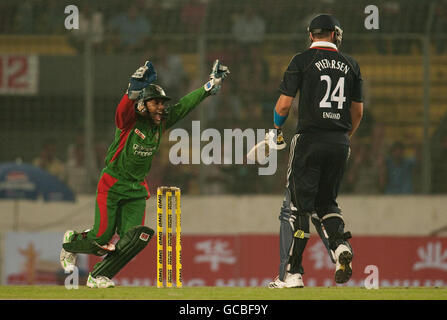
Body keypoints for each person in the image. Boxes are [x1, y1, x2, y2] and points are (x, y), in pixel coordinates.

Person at [60, 59, 229, 288]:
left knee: (134, 239)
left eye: (162, 103)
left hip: (136, 189)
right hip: (112, 184)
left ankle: (98, 275)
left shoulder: (160, 123)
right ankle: (71, 241)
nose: (161, 107)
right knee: (101, 238)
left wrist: (209, 87)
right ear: (143, 104)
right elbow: (121, 111)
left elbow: (185, 105)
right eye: (155, 103)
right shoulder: (130, 121)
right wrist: (133, 90)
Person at [268, 14, 363, 288]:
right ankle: (340, 246)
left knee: (298, 207)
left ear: (311, 35)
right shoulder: (351, 64)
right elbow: (357, 111)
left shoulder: (301, 60)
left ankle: (293, 273)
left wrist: (276, 129)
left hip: (309, 139)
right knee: (327, 203)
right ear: (334, 34)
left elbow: (283, 106)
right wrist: (345, 136)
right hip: (339, 141)